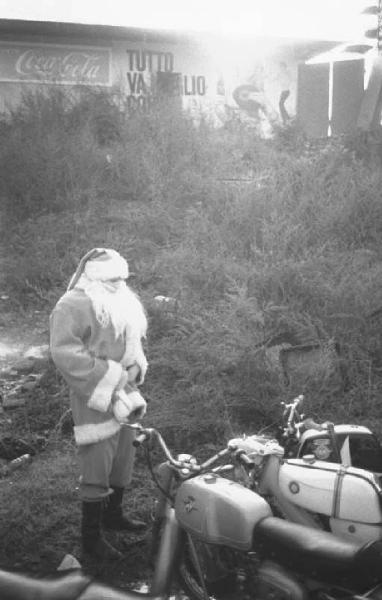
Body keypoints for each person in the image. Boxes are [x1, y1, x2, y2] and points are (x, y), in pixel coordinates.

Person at [49, 248, 148, 561]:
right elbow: (65, 354)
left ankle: (113, 515)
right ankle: (91, 538)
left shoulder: (121, 299)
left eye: (121, 278)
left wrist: (135, 368)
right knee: (97, 461)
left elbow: (133, 343)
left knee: (123, 454)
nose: (118, 284)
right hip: (93, 393)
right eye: (111, 279)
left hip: (125, 390)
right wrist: (112, 376)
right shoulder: (71, 304)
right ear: (93, 276)